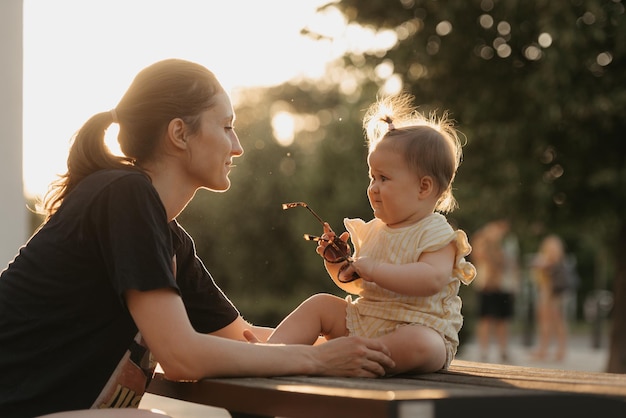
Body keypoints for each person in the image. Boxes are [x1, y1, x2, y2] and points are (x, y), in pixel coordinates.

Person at [0, 59, 395, 418]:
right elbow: (181, 355)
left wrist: (373, 343)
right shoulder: (125, 196)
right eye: (226, 127)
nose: (237, 146)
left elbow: (247, 341)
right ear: (179, 133)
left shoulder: (168, 238)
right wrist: (319, 361)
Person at [267, 94, 476, 375]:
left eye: (384, 178)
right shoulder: (374, 231)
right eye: (371, 177)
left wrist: (375, 269)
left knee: (424, 344)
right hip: (365, 322)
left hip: (417, 327)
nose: (373, 188)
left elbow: (431, 279)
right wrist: (337, 264)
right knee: (320, 304)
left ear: (423, 188)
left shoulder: (436, 233)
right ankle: (268, 355)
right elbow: (359, 288)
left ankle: (337, 360)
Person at [469, 220, 520, 363]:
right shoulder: (483, 241)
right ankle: (484, 351)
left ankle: (503, 350)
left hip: (504, 285)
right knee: (485, 318)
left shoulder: (509, 242)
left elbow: (512, 263)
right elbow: (478, 256)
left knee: (503, 320)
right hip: (486, 285)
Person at [531, 234, 570, 362]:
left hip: (551, 294)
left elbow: (537, 266)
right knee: (551, 323)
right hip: (549, 294)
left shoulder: (551, 262)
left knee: (553, 322)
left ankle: (551, 350)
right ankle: (550, 349)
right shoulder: (556, 261)